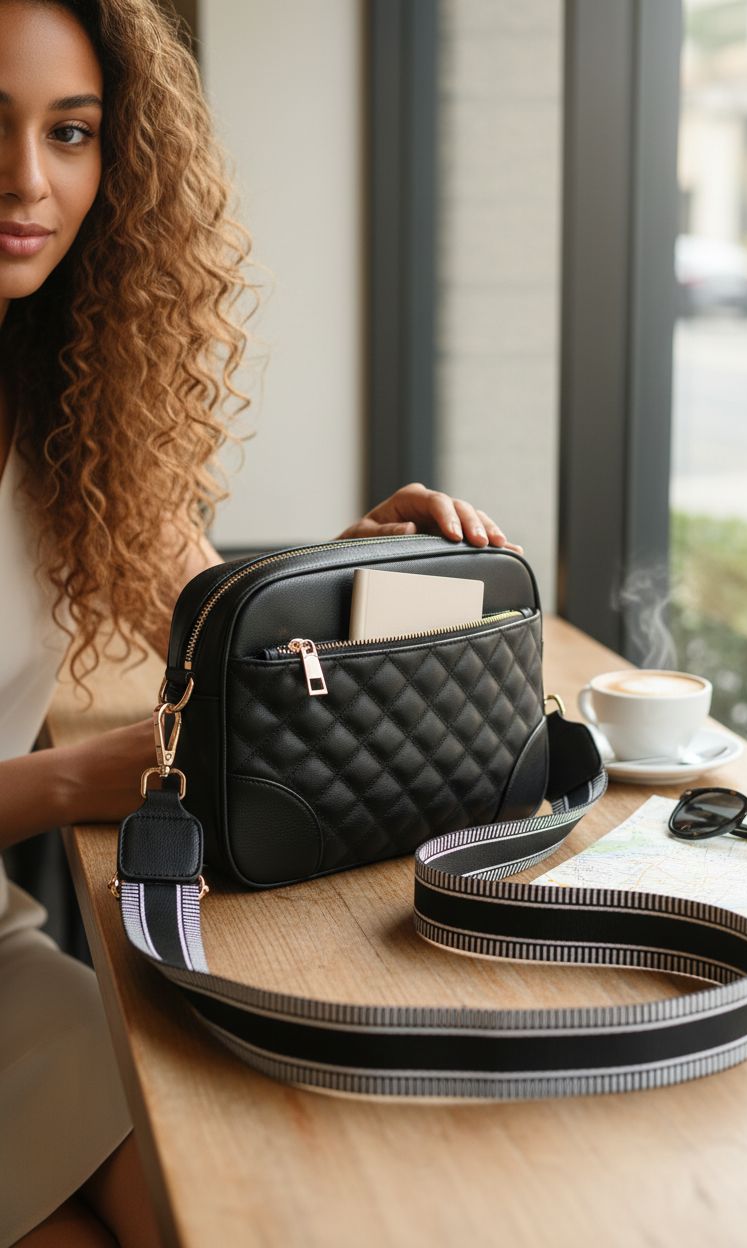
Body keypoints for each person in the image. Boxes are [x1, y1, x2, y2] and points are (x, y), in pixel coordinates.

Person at [0, 2, 521, 1244]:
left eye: (71, 133)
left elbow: (212, 623)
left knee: (202, 1210)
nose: (29, 180)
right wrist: (73, 779)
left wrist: (342, 575)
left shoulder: (58, 409)